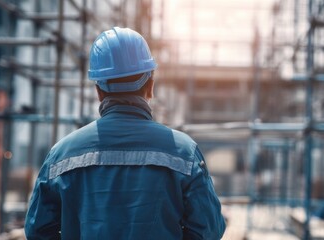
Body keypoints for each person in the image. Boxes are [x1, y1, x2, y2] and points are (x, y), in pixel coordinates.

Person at [24, 27, 226, 239]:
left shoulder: (61, 155)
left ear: (99, 91)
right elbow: (208, 230)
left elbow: (38, 231)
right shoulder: (184, 152)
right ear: (151, 85)